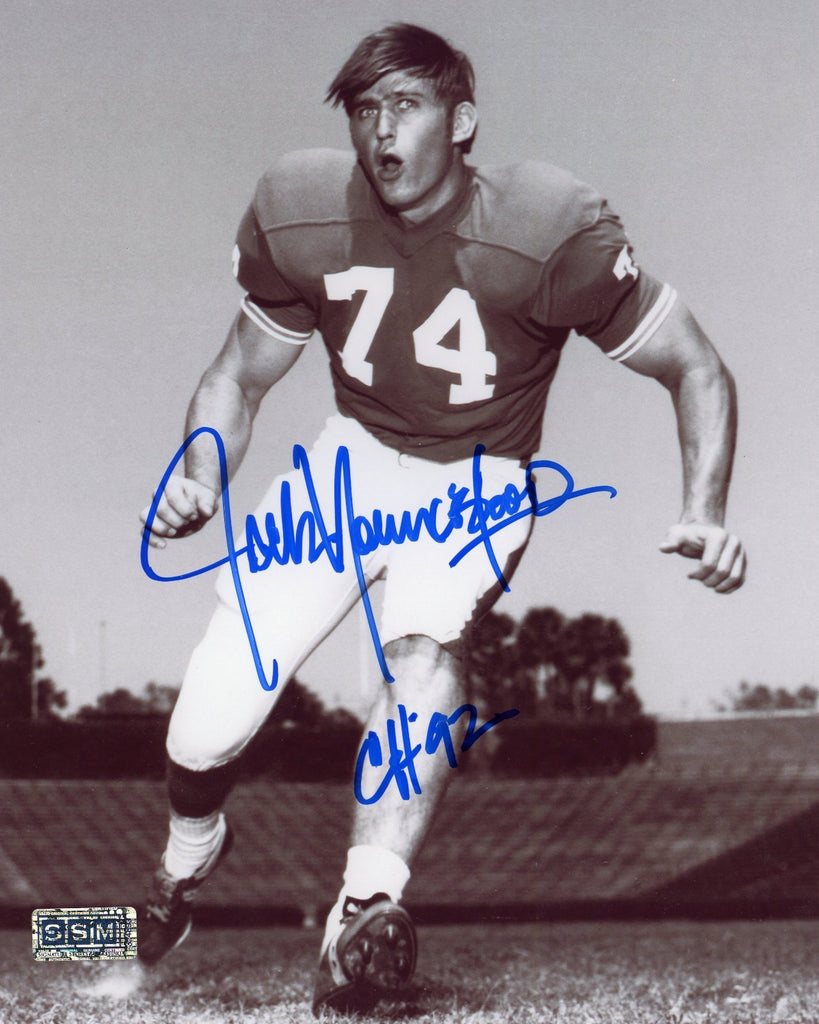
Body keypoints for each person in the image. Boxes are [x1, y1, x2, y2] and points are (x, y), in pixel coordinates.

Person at [136, 22, 746, 1015]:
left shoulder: (548, 225)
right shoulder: (299, 206)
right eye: (364, 110)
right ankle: (186, 855)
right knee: (206, 724)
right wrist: (201, 470)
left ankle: (364, 912)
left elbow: (696, 365)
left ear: (462, 122)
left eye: (406, 106)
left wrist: (704, 510)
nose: (382, 131)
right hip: (348, 465)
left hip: (474, 481)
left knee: (424, 653)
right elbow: (234, 379)